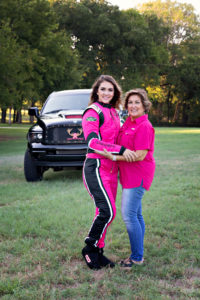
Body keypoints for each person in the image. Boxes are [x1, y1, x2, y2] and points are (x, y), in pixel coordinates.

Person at [97, 88, 156, 268]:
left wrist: (113, 158)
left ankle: (137, 258)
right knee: (136, 214)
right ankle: (139, 253)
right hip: (128, 174)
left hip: (138, 174)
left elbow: (138, 155)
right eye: (130, 102)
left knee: (129, 215)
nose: (133, 105)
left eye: (137, 102)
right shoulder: (128, 123)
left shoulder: (144, 126)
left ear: (144, 105)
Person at [81, 75, 135, 270]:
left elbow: (121, 137)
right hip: (95, 167)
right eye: (102, 89)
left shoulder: (113, 111)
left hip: (112, 169)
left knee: (105, 213)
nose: (106, 93)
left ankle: (98, 252)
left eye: (110, 90)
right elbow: (93, 143)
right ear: (96, 91)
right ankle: (89, 248)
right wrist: (121, 151)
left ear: (115, 93)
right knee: (107, 211)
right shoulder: (92, 111)